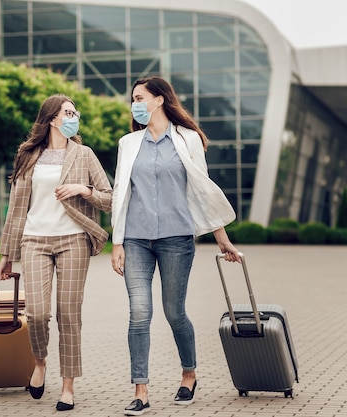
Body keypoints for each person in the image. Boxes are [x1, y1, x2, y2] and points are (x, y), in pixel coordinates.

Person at [110, 76, 241, 416]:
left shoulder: (188, 140)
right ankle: (141, 389)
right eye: (133, 99)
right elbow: (122, 195)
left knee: (174, 312)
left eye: (139, 97)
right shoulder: (128, 143)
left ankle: (189, 374)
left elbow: (203, 191)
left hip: (176, 239)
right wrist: (118, 242)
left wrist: (222, 239)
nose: (135, 104)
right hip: (136, 238)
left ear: (158, 100)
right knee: (139, 312)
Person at [0, 94, 112, 412]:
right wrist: (7, 253)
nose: (74, 116)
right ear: (51, 119)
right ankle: (40, 362)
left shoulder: (84, 155)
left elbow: (110, 197)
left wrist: (83, 190)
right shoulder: (28, 154)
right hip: (34, 240)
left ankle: (68, 387)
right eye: (68, 112)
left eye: (76, 112)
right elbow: (16, 208)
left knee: (68, 315)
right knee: (36, 313)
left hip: (73, 240)